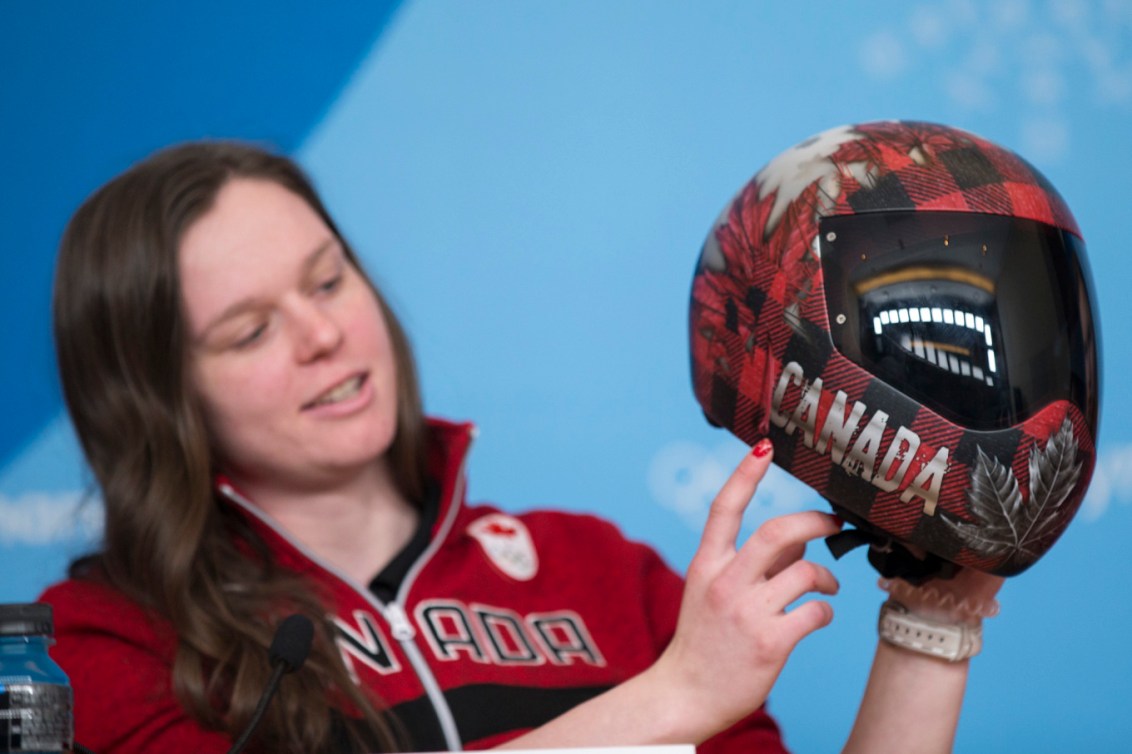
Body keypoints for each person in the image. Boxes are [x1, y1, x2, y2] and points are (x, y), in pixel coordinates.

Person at [40, 140, 1003, 754]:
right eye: (248, 331)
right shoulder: (92, 643)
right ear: (157, 395)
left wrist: (935, 623)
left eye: (327, 281)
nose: (321, 334)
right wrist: (667, 701)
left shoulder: (599, 575)